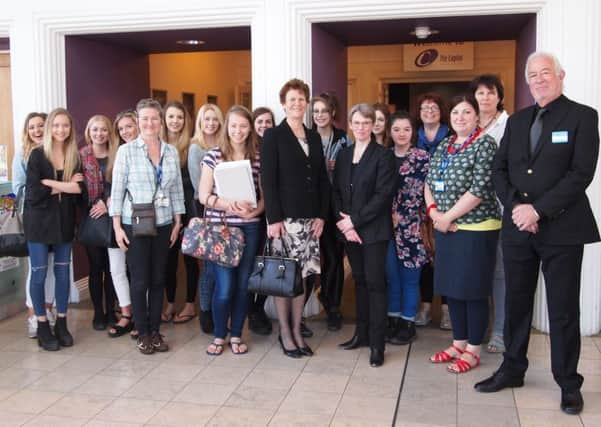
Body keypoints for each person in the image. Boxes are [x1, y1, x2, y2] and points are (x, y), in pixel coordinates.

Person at [475, 52, 600, 416]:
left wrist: (538, 210)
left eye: (546, 73)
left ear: (561, 75)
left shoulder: (582, 117)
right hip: (518, 229)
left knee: (562, 310)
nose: (539, 79)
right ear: (527, 81)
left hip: (562, 229)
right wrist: (517, 207)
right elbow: (500, 171)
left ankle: (568, 383)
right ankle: (513, 368)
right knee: (516, 302)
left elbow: (581, 174)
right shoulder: (517, 121)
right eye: (533, 75)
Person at [425, 95, 500, 374]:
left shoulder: (485, 144)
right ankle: (458, 343)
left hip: (476, 229)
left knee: (473, 291)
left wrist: (447, 218)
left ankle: (473, 350)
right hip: (446, 228)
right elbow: (429, 182)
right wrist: (434, 215)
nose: (460, 117)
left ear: (477, 117)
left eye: (467, 112)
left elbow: (479, 189)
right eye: (455, 112)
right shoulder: (445, 144)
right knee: (452, 291)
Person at [110, 98, 185, 355]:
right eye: (145, 119)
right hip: (136, 223)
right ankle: (142, 332)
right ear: (138, 121)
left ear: (160, 121)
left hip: (164, 222)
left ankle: (155, 331)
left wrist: (177, 221)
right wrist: (117, 227)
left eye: (154, 118)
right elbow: (117, 190)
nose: (150, 123)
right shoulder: (127, 151)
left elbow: (176, 189)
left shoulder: (171, 152)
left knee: (158, 278)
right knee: (140, 279)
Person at [261, 78, 330, 358]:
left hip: (310, 221)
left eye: (302, 99)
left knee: (303, 278)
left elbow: (323, 179)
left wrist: (321, 216)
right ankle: (285, 332)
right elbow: (268, 180)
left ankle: (297, 329)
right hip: (284, 221)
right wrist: (273, 219)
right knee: (283, 277)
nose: (297, 104)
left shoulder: (313, 137)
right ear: (283, 103)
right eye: (292, 99)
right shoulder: (273, 136)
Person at [334, 103, 395, 367]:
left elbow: (383, 196)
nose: (361, 128)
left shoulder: (383, 156)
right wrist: (345, 223)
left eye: (366, 123)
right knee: (358, 281)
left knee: (375, 283)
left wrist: (354, 222)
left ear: (373, 125)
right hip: (350, 230)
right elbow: (335, 191)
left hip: (373, 231)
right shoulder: (345, 155)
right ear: (350, 125)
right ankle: (361, 334)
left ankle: (377, 344)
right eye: (356, 123)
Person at [199, 105, 264, 355]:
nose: (238, 131)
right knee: (224, 287)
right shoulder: (213, 155)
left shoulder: (258, 156)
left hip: (249, 229)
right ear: (227, 127)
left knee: (242, 286)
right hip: (221, 230)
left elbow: (265, 198)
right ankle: (219, 335)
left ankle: (236, 334)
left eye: (243, 126)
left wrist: (254, 212)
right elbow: (203, 195)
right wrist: (229, 205)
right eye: (234, 125)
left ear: (250, 128)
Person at [23, 107, 85, 351]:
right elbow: (33, 194)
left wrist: (50, 183)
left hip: (64, 222)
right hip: (38, 223)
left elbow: (80, 191)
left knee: (62, 273)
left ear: (71, 129)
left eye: (65, 126)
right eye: (56, 125)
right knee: (38, 273)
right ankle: (41, 324)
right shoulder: (38, 155)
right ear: (50, 128)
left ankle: (61, 322)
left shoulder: (74, 156)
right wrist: (65, 185)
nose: (61, 130)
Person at [469, 74, 510, 354]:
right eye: (480, 93)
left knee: (500, 272)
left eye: (490, 92)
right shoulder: (467, 125)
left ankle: (500, 330)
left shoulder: (511, 125)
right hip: (472, 213)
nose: (484, 97)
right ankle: (481, 326)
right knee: (478, 272)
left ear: (499, 96)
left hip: (502, 209)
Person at [385, 111, 429, 345]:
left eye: (406, 129)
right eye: (396, 129)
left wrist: (401, 215)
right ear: (390, 132)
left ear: (413, 132)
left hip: (412, 227)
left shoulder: (422, 157)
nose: (401, 134)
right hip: (385, 227)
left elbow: (424, 192)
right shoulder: (383, 156)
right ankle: (392, 320)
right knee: (392, 276)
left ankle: (408, 322)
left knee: (410, 277)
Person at [12, 112, 58, 338]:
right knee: (37, 270)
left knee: (50, 268)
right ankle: (33, 315)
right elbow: (19, 188)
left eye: (41, 126)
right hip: (34, 220)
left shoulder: (55, 152)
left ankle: (48, 311)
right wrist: (44, 189)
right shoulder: (22, 154)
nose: (37, 130)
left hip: (55, 220)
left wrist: (43, 187)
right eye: (32, 127)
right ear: (27, 131)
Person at [310, 93, 349, 331]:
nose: (320, 115)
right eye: (316, 111)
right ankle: (312, 302)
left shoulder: (343, 139)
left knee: (334, 258)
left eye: (324, 111)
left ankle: (333, 305)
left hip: (336, 206)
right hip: (313, 206)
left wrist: (339, 167)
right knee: (312, 259)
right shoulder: (307, 137)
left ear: (333, 112)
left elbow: (351, 168)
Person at [413, 93, 452, 330]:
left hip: (447, 206)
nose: (429, 111)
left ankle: (447, 310)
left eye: (434, 107)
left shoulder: (451, 135)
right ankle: (426, 307)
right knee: (425, 257)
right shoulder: (412, 136)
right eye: (425, 107)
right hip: (418, 208)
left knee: (446, 257)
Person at [161, 101, 200, 324]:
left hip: (189, 209)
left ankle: (189, 304)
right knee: (168, 258)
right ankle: (169, 302)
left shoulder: (192, 146)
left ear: (186, 121)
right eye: (171, 117)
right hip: (166, 210)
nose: (175, 121)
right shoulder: (158, 146)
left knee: (189, 258)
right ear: (164, 120)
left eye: (180, 117)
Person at [188, 103, 225, 334]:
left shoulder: (224, 146)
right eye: (206, 119)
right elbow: (198, 186)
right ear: (200, 123)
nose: (210, 123)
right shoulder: (195, 148)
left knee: (224, 264)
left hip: (227, 211)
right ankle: (205, 311)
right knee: (209, 266)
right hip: (204, 210)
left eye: (214, 119)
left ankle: (221, 310)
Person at [80, 115, 118, 331]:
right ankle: (98, 312)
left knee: (112, 267)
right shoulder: (81, 156)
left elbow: (122, 181)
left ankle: (112, 311)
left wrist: (107, 202)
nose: (99, 134)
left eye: (103, 130)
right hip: (91, 217)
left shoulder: (116, 154)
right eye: (95, 130)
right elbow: (77, 186)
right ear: (89, 131)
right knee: (96, 267)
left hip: (113, 216)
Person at [107, 109, 139, 339]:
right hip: (114, 218)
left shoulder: (150, 149)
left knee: (139, 271)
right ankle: (126, 314)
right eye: (121, 128)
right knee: (117, 269)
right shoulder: (117, 152)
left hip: (138, 219)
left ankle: (142, 314)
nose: (126, 131)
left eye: (129, 125)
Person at [246, 106, 275, 336]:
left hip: (273, 214)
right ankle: (250, 311)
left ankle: (258, 308)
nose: (264, 125)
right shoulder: (248, 150)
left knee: (269, 265)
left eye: (268, 122)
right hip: (251, 214)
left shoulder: (276, 146)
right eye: (260, 122)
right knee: (250, 265)